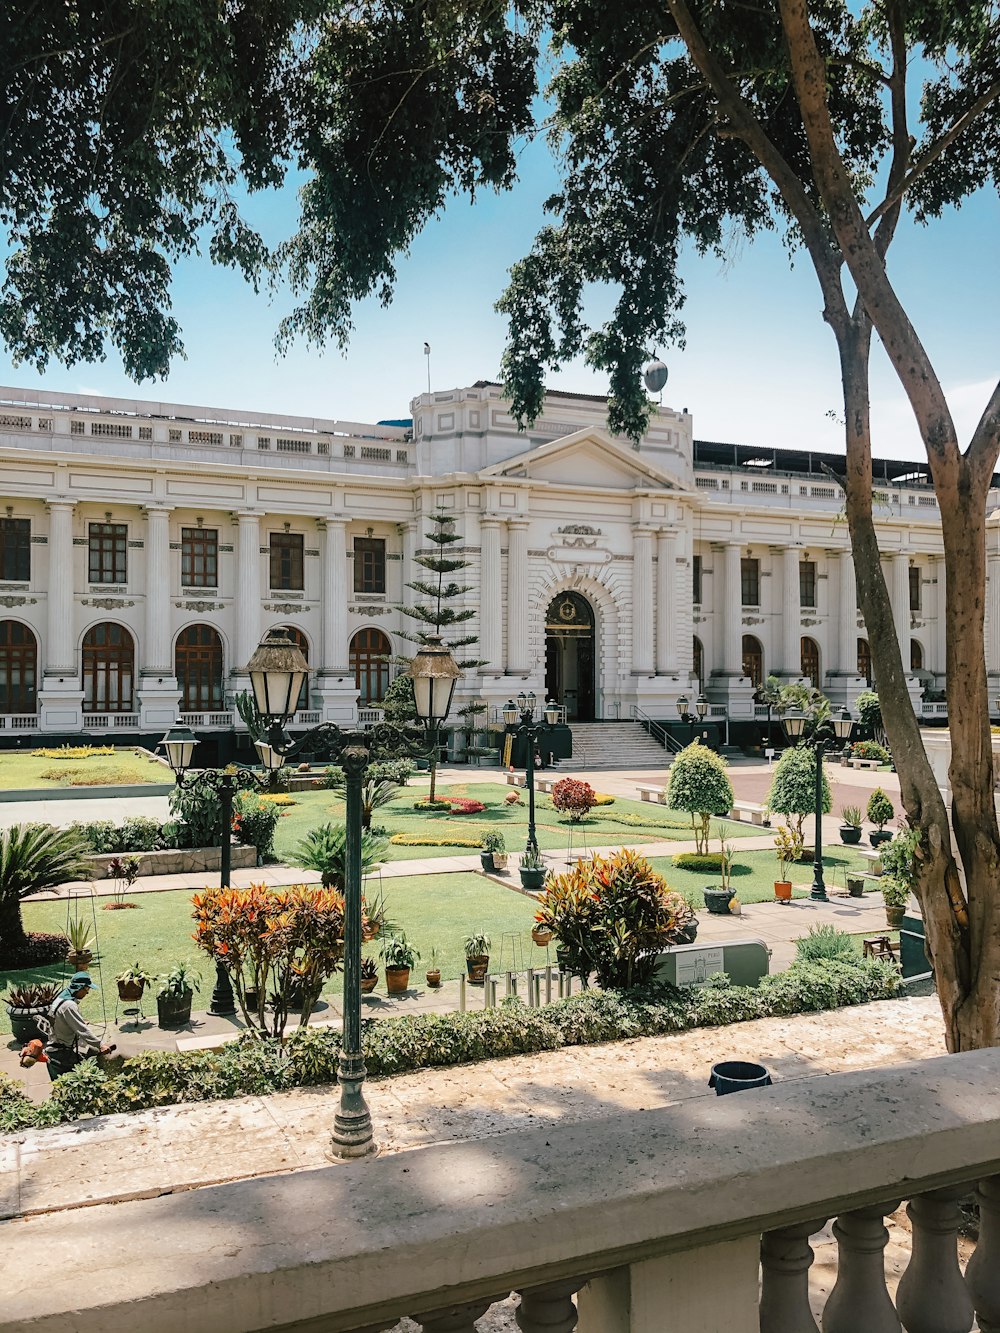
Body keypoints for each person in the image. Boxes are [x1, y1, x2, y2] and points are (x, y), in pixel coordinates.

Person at [42, 972, 113, 1081]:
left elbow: (60, 1017)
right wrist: (100, 1045)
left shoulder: (61, 997)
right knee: (76, 1084)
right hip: (61, 1055)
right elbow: (82, 1030)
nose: (87, 993)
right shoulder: (69, 1006)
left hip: (55, 1049)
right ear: (80, 988)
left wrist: (75, 1020)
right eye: (87, 989)